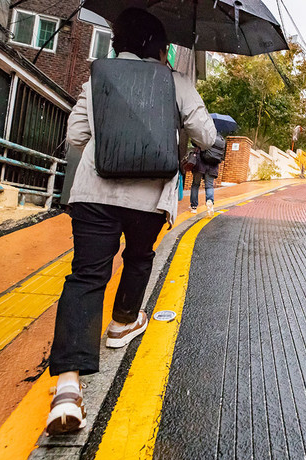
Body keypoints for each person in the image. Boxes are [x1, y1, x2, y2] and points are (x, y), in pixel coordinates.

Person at [45, 8, 216, 435]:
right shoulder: (175, 82)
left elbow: (76, 138)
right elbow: (207, 136)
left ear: (118, 43)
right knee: (139, 256)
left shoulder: (94, 79)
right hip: (148, 197)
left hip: (93, 194)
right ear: (159, 49)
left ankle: (67, 387)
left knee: (86, 275)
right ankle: (123, 322)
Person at [189, 138, 222, 217]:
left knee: (195, 185)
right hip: (213, 166)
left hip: (200, 164)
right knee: (209, 186)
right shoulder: (220, 139)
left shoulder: (203, 134)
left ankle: (194, 207)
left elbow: (194, 142)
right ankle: (209, 201)